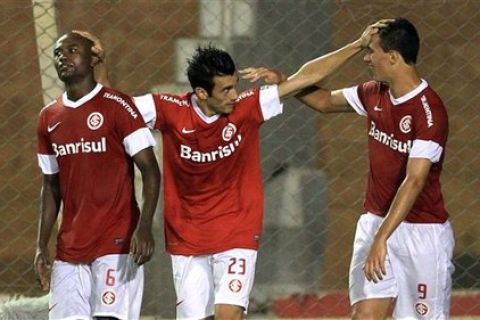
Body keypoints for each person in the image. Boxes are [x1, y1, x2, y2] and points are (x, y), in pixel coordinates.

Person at [75, 21, 385, 320]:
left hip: (236, 231)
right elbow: (114, 111)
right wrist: (100, 68)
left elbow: (305, 78)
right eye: (225, 90)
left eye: (235, 86)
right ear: (201, 93)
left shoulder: (248, 106)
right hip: (187, 236)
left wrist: (357, 45)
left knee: (228, 313)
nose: (234, 95)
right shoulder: (167, 109)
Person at [245, 18, 454, 320]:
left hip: (422, 234)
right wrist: (285, 81)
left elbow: (414, 181)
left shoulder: (429, 112)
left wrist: (382, 238)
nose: (367, 58)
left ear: (393, 57)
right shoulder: (373, 93)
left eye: (371, 51)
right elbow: (325, 101)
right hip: (375, 221)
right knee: (363, 316)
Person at [34, 32, 161, 320]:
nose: (63, 57)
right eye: (58, 52)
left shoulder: (118, 106)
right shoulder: (48, 117)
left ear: (93, 59)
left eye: (73, 50)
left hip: (115, 241)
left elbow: (151, 171)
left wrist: (144, 228)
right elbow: (50, 186)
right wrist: (41, 245)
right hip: (70, 247)